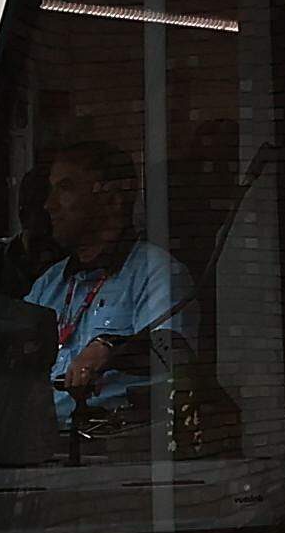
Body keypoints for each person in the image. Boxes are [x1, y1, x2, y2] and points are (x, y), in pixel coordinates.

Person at [24, 139, 194, 433]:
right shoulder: (49, 283)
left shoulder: (156, 272)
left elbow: (174, 353)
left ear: (113, 200)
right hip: (39, 441)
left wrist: (110, 348)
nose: (49, 205)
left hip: (113, 445)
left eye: (65, 188)